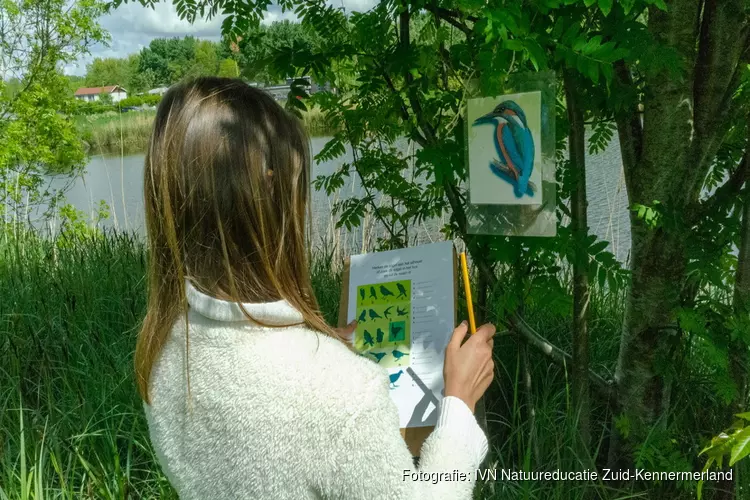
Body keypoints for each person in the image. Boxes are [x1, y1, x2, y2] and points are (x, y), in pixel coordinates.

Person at [136, 76, 496, 500]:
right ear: (270, 199)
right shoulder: (341, 395)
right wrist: (457, 405)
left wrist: (320, 353)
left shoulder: (160, 346)